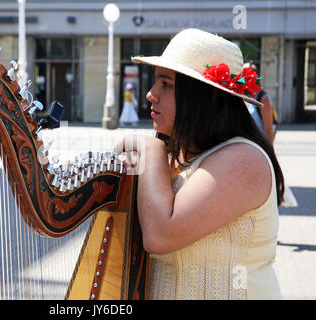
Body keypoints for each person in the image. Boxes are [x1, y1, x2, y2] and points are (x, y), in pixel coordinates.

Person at [116, 28, 284, 299]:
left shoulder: (244, 159)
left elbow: (161, 236)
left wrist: (151, 148)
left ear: (210, 96)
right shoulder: (183, 155)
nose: (151, 94)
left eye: (166, 84)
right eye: (156, 82)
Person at [244, 62, 277, 143]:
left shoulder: (263, 98)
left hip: (259, 146)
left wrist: (270, 152)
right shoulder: (240, 96)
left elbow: (269, 130)